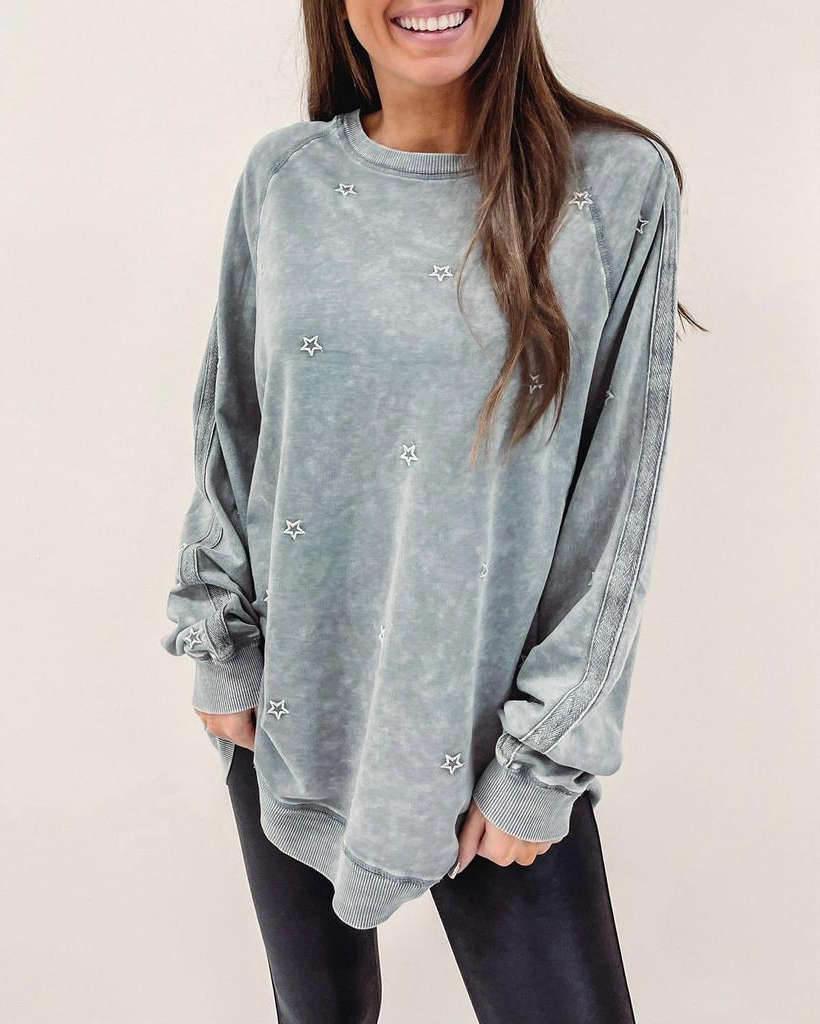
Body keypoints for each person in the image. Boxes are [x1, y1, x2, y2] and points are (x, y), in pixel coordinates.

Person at [161, 2, 700, 1021]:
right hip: (286, 704)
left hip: (496, 732)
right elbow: (233, 426)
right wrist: (217, 641)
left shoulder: (616, 185)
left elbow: (617, 501)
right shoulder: (284, 180)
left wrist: (544, 759)